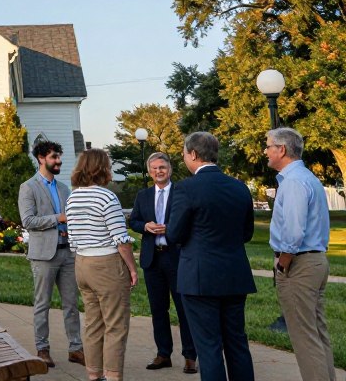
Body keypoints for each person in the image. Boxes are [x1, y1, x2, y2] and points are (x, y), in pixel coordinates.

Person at [166, 132, 255, 381]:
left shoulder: (185, 189)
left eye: (184, 154)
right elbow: (246, 233)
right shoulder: (239, 187)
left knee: (209, 346)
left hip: (199, 278)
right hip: (235, 274)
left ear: (193, 154)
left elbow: (174, 234)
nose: (184, 158)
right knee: (237, 343)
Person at [265, 127, 335, 381]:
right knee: (316, 332)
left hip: (300, 264)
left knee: (305, 338)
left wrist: (284, 260)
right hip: (314, 261)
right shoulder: (306, 177)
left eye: (269, 146)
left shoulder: (293, 181)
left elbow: (294, 230)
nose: (266, 152)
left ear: (281, 149)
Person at [66, 148, 137, 381]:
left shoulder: (73, 197)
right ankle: (113, 376)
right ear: (102, 168)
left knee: (93, 324)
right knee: (115, 325)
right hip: (106, 264)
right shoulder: (106, 197)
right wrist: (132, 268)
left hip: (82, 263)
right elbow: (120, 239)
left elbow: (72, 237)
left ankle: (94, 375)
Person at [129, 152, 197, 374]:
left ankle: (190, 356)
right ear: (150, 171)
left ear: (169, 169)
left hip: (176, 256)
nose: (159, 171)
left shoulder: (182, 192)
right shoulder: (143, 195)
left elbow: (191, 221)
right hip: (152, 258)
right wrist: (145, 226)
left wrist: (172, 228)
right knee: (158, 309)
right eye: (155, 168)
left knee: (184, 308)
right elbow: (134, 220)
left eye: (162, 167)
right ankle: (163, 354)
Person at [19, 140, 85, 369]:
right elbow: (28, 221)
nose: (58, 161)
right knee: (42, 304)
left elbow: (70, 218)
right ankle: (42, 349)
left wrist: (70, 226)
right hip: (43, 256)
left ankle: (76, 349)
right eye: (54, 157)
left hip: (67, 254)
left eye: (59, 156)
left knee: (71, 304)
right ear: (41, 158)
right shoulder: (28, 187)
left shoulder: (64, 188)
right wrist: (58, 219)